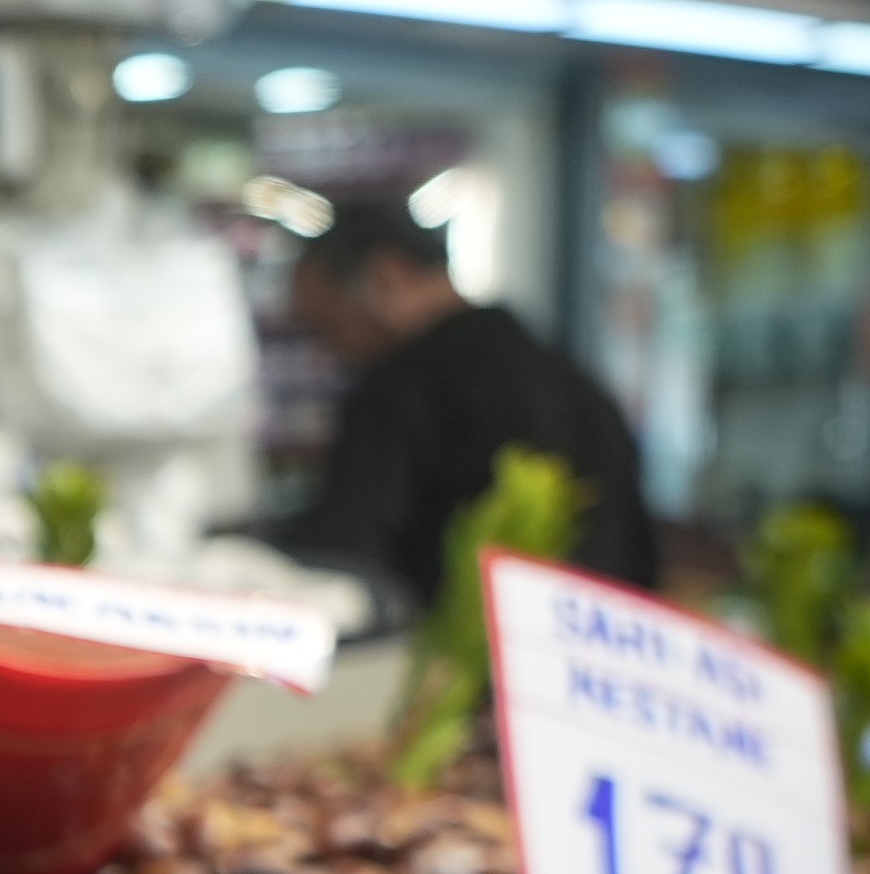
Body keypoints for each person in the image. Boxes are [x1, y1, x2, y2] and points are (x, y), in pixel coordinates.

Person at [274, 207, 658, 611]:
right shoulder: (565, 374)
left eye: (327, 326)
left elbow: (344, 551)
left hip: (455, 659)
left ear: (387, 276)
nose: (328, 351)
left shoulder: (401, 386)